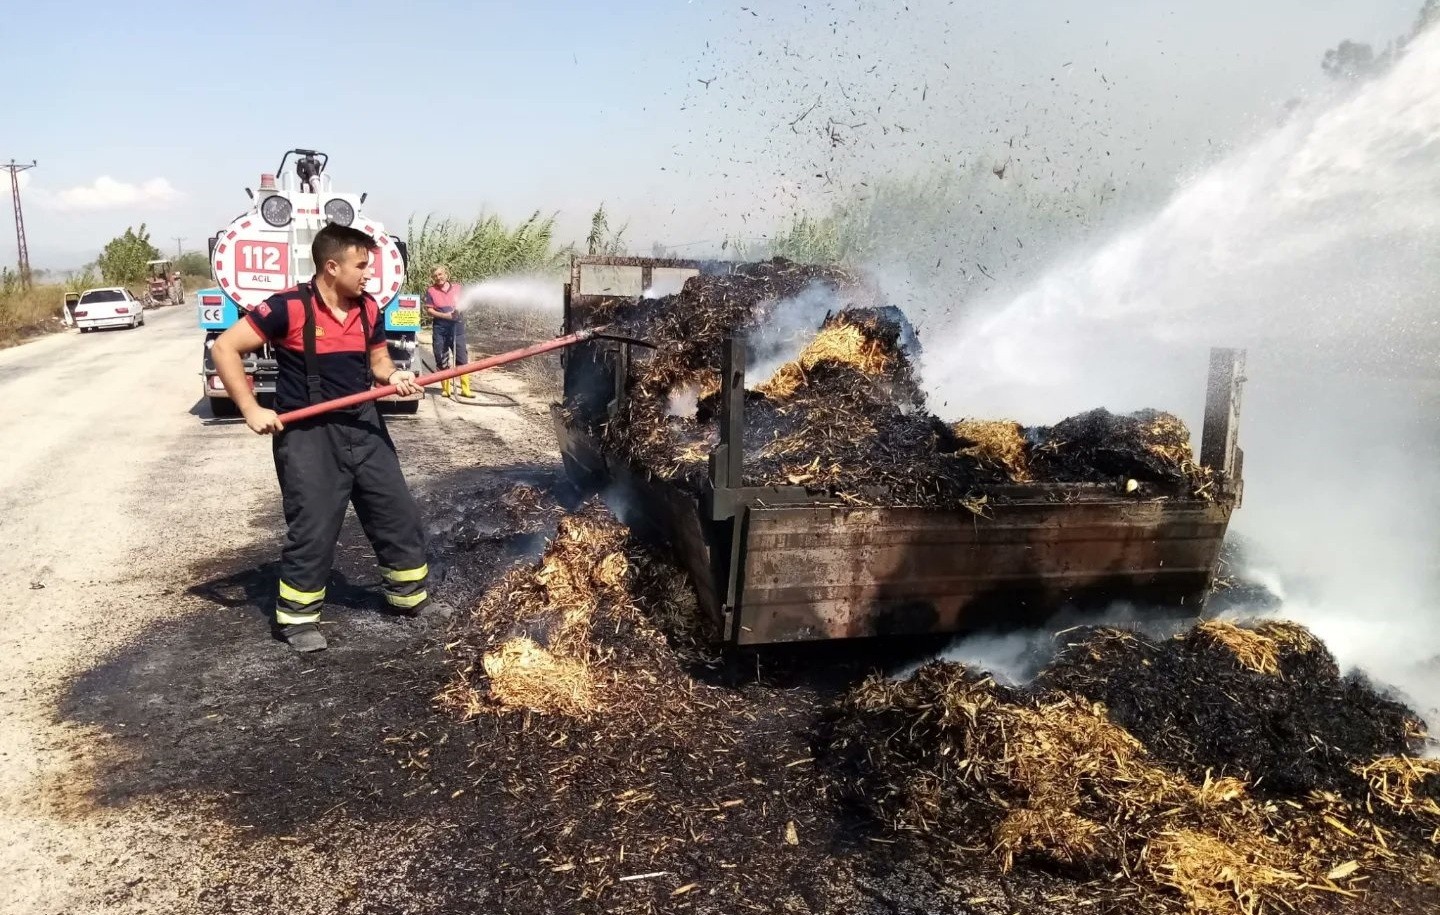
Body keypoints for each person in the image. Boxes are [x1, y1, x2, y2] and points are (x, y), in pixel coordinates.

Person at [209, 224, 440, 653]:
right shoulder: (287, 309)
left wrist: (397, 376)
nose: (369, 274)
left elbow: (378, 361)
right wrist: (250, 408)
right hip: (308, 436)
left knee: (396, 513)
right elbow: (224, 347)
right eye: (361, 265)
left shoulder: (368, 308)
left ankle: (408, 599)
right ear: (331, 267)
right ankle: (296, 621)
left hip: (364, 425)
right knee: (313, 527)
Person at [423, 265, 470, 399]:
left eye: (440, 274)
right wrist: (446, 316)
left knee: (461, 357)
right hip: (440, 329)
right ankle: (446, 389)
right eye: (435, 276)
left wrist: (459, 310)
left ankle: (466, 389)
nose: (438, 278)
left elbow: (466, 302)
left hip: (457, 327)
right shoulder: (431, 291)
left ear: (446, 274)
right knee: (441, 356)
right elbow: (430, 310)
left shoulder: (457, 288)